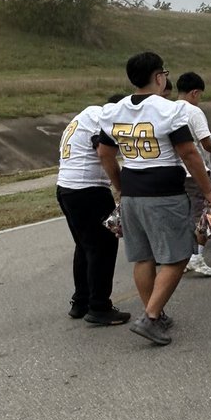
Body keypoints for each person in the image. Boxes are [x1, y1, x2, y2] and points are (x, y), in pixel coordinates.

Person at [96, 51, 211, 346]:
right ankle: (151, 316)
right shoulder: (169, 110)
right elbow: (189, 153)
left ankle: (155, 312)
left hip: (132, 191)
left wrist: (119, 185)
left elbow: (105, 154)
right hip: (164, 191)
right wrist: (209, 191)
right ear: (159, 76)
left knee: (143, 256)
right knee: (178, 256)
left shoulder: (113, 110)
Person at [56, 94, 130, 325]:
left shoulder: (84, 115)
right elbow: (103, 152)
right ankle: (99, 306)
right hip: (88, 189)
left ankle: (81, 301)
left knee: (85, 246)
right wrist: (120, 187)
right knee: (103, 247)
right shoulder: (104, 118)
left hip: (66, 187)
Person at [176, 71, 211, 278]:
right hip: (193, 172)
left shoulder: (168, 108)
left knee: (183, 216)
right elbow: (205, 142)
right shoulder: (193, 112)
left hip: (173, 172)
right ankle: (198, 257)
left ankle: (185, 256)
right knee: (203, 216)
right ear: (195, 93)